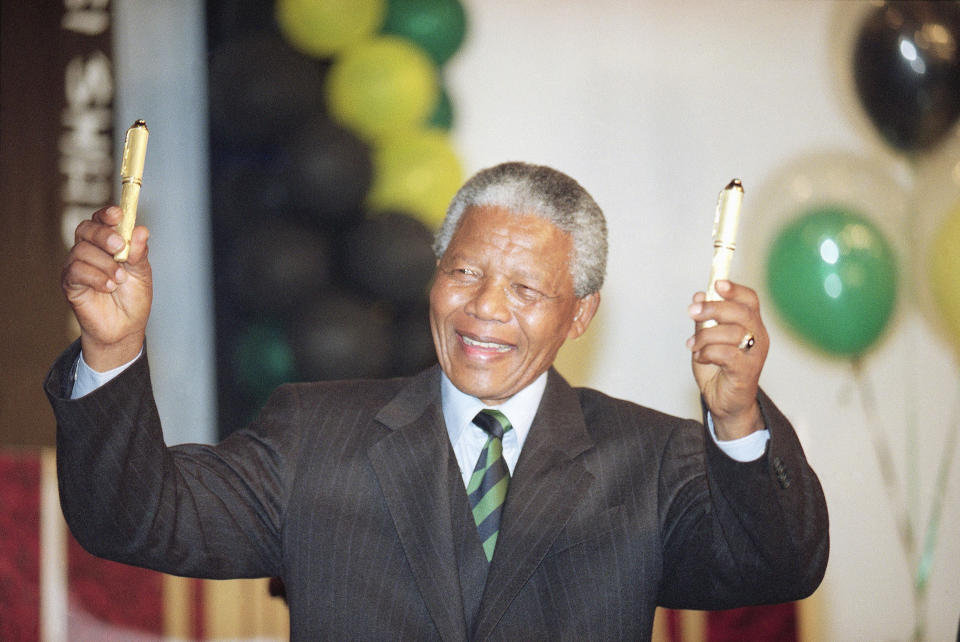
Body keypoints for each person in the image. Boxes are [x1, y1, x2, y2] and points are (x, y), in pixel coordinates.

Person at [46, 162, 828, 640]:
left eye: (525, 289)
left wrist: (736, 420)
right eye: (463, 274)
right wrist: (112, 350)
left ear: (579, 314)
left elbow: (776, 566)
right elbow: (133, 517)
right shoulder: (312, 433)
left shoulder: (656, 461)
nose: (484, 310)